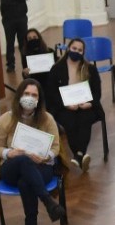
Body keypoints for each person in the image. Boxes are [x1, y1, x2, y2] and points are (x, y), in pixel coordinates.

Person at [0, 78, 66, 225]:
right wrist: (8, 153)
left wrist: (44, 156)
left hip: (40, 166)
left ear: (39, 99)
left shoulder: (47, 119)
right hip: (12, 166)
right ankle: (48, 201)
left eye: (34, 95)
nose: (30, 98)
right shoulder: (6, 119)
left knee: (26, 182)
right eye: (26, 94)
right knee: (23, 160)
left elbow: (56, 147)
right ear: (19, 95)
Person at [43, 37, 103, 172]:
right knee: (69, 122)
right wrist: (66, 105)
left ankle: (78, 154)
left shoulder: (90, 69)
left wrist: (90, 103)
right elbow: (51, 93)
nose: (76, 51)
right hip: (64, 106)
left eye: (80, 50)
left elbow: (97, 92)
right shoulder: (57, 68)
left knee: (84, 120)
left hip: (86, 105)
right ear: (68, 48)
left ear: (83, 53)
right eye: (74, 48)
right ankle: (81, 154)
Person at [0, 0, 30, 72]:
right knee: (10, 43)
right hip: (8, 19)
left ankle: (25, 64)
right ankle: (10, 65)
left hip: (21, 18)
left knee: (23, 42)